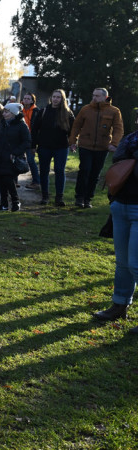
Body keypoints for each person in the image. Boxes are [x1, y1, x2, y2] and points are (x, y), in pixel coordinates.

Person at [91, 110, 138, 330]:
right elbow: (118, 162)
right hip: (121, 204)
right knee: (122, 263)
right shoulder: (130, 139)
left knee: (136, 264)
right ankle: (119, 304)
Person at [69, 87, 124, 208]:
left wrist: (114, 144)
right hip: (85, 145)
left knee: (95, 174)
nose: (94, 98)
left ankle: (88, 198)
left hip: (102, 147)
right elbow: (76, 126)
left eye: (97, 96)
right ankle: (79, 197)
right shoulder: (86, 109)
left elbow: (118, 129)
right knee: (84, 170)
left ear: (105, 97)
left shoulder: (114, 111)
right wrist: (73, 141)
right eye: (93, 95)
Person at [31, 89, 74, 206]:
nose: (55, 99)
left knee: (59, 171)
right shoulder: (43, 111)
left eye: (58, 97)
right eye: (54, 96)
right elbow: (34, 129)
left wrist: (73, 142)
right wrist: (33, 145)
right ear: (51, 98)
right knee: (44, 171)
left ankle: (59, 197)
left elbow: (72, 131)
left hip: (61, 147)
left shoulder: (68, 113)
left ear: (62, 99)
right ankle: (45, 196)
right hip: (44, 146)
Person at [0, 102, 31, 212]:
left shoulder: (21, 125)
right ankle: (4, 204)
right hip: (0, 156)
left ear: (13, 113)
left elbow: (27, 142)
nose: (4, 114)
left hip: (11, 158)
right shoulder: (3, 124)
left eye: (6, 112)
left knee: (8, 180)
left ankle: (15, 201)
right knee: (1, 181)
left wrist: (15, 152)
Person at [20, 93, 40, 188]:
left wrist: (34, 145)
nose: (26, 100)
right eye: (25, 98)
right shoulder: (19, 109)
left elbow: (37, 129)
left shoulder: (36, 111)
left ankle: (36, 182)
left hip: (30, 140)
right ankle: (14, 181)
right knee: (15, 159)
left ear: (32, 100)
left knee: (31, 161)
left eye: (28, 98)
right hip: (19, 138)